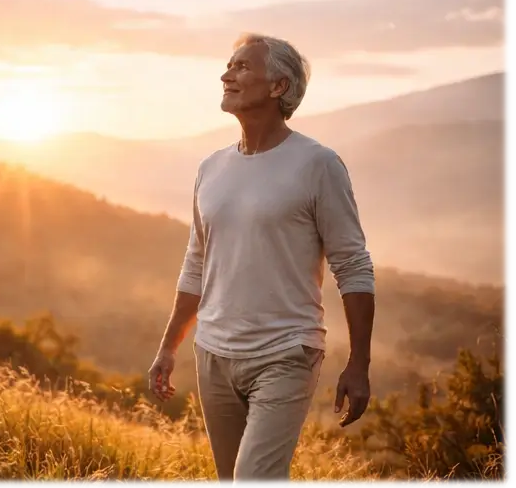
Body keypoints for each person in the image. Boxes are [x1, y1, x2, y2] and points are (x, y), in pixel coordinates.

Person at [148, 32, 376, 488]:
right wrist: (168, 346)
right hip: (213, 353)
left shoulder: (318, 164)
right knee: (232, 481)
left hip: (287, 352)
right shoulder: (210, 168)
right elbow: (197, 262)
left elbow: (353, 265)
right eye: (229, 65)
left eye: (242, 66)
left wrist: (359, 363)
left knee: (254, 481)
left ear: (278, 87)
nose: (226, 75)